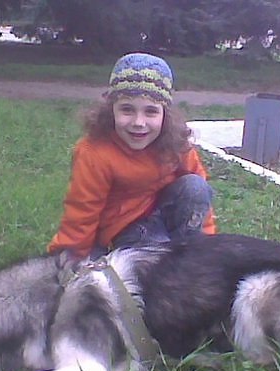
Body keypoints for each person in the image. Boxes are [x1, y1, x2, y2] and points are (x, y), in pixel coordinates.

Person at [47, 52, 217, 259]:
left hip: (161, 214)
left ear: (165, 114)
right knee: (158, 261)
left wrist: (209, 245)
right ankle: (166, 260)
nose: (139, 122)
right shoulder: (94, 152)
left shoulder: (175, 143)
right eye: (127, 109)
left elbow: (200, 199)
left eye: (151, 111)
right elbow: (82, 211)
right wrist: (67, 258)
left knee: (195, 185)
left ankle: (194, 253)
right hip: (125, 230)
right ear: (111, 110)